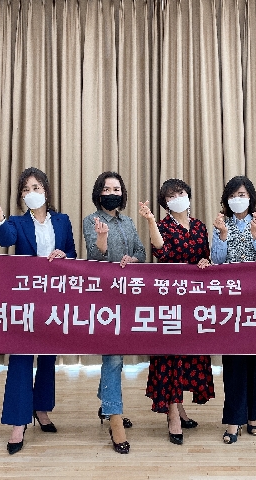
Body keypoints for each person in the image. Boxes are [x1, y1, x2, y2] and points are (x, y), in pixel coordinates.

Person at [0, 167, 77, 455]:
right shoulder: (16, 222)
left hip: (54, 298)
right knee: (21, 357)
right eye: (26, 189)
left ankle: (41, 409)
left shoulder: (62, 220)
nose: (31, 193)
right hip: (24, 298)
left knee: (48, 357)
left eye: (36, 187)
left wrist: (64, 255)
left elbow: (72, 253)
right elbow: (5, 240)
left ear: (46, 191)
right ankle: (18, 423)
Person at [138, 178, 214, 446]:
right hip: (168, 300)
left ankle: (179, 407)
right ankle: (172, 416)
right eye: (170, 196)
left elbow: (206, 256)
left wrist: (206, 261)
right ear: (165, 203)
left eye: (180, 193)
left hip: (195, 302)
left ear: (188, 196)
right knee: (169, 357)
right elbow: (161, 251)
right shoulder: (162, 226)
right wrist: (150, 221)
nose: (177, 198)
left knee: (188, 356)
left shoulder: (200, 226)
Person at [83, 171, 146, 454]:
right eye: (107, 189)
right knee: (113, 356)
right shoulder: (91, 220)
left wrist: (133, 259)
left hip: (128, 296)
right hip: (104, 299)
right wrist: (102, 239)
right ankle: (115, 419)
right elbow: (94, 257)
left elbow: (141, 253)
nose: (112, 193)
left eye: (116, 189)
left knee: (117, 355)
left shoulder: (129, 222)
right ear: (99, 193)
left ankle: (107, 403)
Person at [210, 176, 256, 444]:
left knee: (255, 362)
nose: (238, 199)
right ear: (227, 199)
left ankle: (254, 416)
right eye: (233, 195)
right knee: (233, 362)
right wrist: (223, 236)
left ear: (251, 198)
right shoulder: (220, 224)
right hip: (230, 302)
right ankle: (233, 419)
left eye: (243, 194)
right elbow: (216, 261)